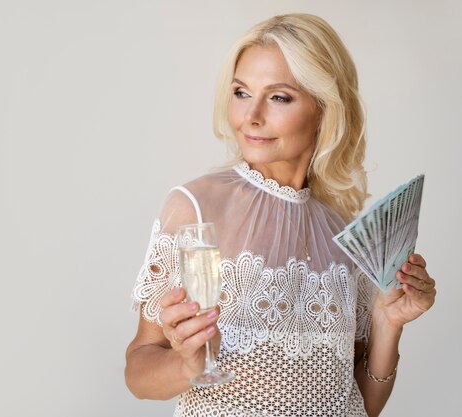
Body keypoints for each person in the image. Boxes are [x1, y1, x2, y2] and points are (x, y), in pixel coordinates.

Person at [124, 13, 436, 417]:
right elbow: (138, 371)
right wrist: (187, 366)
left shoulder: (343, 232)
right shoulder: (196, 207)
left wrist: (388, 321)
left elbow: (363, 405)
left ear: (326, 107)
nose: (251, 115)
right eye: (241, 92)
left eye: (279, 97)